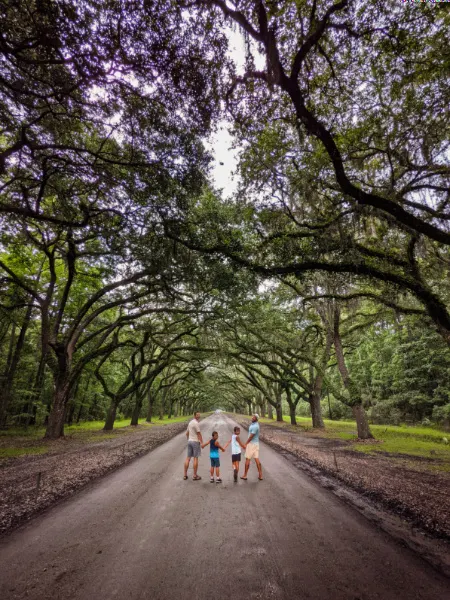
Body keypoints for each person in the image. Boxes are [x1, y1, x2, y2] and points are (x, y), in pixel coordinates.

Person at [241, 413, 263, 481]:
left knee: (248, 459)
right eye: (252, 417)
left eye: (253, 417)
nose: (252, 418)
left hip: (251, 444)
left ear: (256, 419)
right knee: (256, 459)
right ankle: (260, 475)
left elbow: (251, 436)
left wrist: (246, 444)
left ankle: (245, 475)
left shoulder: (255, 426)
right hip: (256, 444)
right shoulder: (254, 424)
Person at [184, 411, 203, 480]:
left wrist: (188, 440)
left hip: (190, 441)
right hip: (195, 442)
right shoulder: (196, 423)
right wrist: (202, 443)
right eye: (198, 415)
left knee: (188, 458)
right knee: (195, 458)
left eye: (199, 415)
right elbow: (199, 434)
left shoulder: (190, 422)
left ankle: (185, 475)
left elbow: (187, 433)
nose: (199, 416)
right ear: (194, 415)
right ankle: (195, 475)